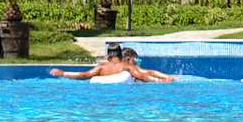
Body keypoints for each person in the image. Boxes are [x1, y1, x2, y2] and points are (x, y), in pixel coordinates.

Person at [49, 43, 177, 83]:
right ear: (121, 54)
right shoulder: (126, 66)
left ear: (108, 56)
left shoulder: (101, 68)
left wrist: (62, 73)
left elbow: (83, 75)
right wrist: (163, 80)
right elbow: (144, 74)